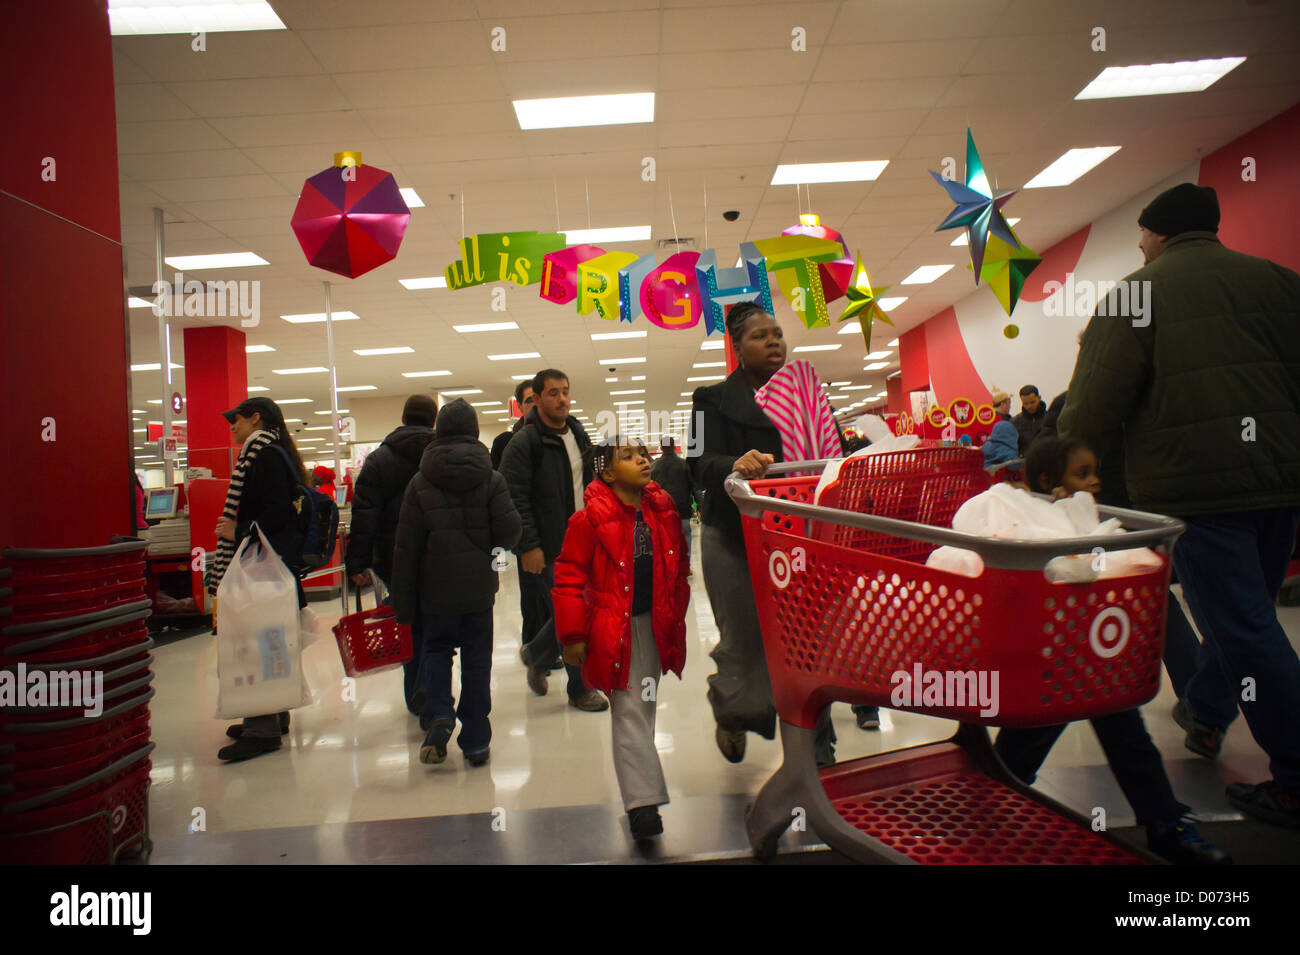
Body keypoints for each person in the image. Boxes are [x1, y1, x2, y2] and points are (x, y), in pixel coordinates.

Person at [1059, 181, 1300, 828]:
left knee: (1246, 627)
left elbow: (1093, 404)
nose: (1139, 245)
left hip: (1198, 490)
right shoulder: (1280, 282)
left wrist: (1061, 471)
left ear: (1159, 233)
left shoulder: (1137, 296)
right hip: (1281, 485)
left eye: (1141, 233)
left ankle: (1297, 776)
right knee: (1245, 618)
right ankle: (1207, 708)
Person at [994, 435, 1231, 864]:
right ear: (1049, 481)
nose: (1096, 481)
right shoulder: (1028, 520)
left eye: (1095, 471)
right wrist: (1059, 513)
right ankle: (992, 807)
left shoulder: (1091, 519)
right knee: (1029, 742)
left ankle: (1165, 823)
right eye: (1082, 474)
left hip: (1090, 660)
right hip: (1047, 664)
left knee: (1128, 739)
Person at [689, 301, 836, 767]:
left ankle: (818, 749)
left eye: (777, 333)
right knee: (745, 641)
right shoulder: (708, 399)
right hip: (732, 536)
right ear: (737, 347)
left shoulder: (807, 395)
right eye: (760, 336)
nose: (773, 341)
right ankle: (735, 713)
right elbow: (696, 462)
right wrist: (733, 463)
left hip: (799, 539)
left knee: (808, 642)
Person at [553, 438, 689, 841]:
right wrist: (573, 635)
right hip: (615, 628)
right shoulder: (589, 520)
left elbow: (677, 565)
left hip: (654, 625)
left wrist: (676, 608)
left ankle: (639, 792)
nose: (642, 460)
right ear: (607, 473)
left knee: (643, 709)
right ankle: (642, 804)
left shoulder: (661, 509)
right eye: (627, 457)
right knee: (629, 711)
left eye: (643, 454)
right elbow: (568, 577)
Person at [391, 399, 522, 767]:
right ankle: (477, 739)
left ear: (440, 431)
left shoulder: (419, 483)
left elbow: (406, 547)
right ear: (475, 431)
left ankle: (439, 715)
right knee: (477, 662)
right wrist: (493, 550)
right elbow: (510, 530)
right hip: (479, 592)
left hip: (434, 593)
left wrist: (402, 601)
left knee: (436, 652)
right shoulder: (492, 478)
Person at [207, 397, 308, 763]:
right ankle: (271, 717)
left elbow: (275, 515)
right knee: (270, 640)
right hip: (273, 568)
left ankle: (262, 728)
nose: (231, 426)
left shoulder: (262, 457)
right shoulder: (272, 453)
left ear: (256, 418)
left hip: (261, 567)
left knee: (256, 641)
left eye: (236, 419)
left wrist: (237, 531)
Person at [500, 368, 607, 711]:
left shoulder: (578, 434)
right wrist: (528, 545)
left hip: (585, 538)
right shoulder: (524, 443)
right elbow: (514, 498)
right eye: (552, 393)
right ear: (536, 399)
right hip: (549, 545)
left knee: (578, 610)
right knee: (573, 613)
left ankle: (536, 653)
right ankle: (580, 689)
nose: (561, 399)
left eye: (565, 391)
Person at [344, 394, 437, 718]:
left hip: (393, 558)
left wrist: (356, 562)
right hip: (436, 553)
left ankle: (416, 692)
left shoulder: (379, 459)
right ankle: (434, 689)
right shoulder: (440, 455)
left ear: (403, 418)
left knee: (407, 623)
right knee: (436, 625)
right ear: (433, 420)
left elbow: (364, 514)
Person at [650, 436, 695, 572]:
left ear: (661, 448)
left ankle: (668, 567)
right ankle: (685, 566)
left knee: (665, 540)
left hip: (661, 511)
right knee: (685, 538)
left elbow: (649, 489)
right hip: (683, 510)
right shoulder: (684, 464)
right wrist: (699, 506)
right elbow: (693, 486)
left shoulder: (654, 466)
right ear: (674, 447)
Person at [491, 380, 536, 470]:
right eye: (530, 400)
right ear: (519, 406)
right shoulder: (503, 442)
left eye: (539, 399)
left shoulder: (557, 439)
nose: (535, 405)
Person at [982, 390, 1019, 466]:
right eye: (1009, 403)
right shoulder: (1004, 421)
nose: (1010, 406)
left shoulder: (986, 418)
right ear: (1003, 404)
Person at [1012, 385, 1046, 454]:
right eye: (1025, 404)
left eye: (1032, 402)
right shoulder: (1015, 422)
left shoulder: (1050, 419)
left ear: (1039, 398)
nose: (1029, 406)